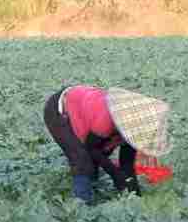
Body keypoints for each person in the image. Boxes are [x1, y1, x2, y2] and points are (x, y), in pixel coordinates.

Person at [43, 85, 172, 204]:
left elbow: (126, 164)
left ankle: (90, 186)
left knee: (99, 159)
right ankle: (81, 206)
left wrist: (135, 196)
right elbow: (90, 147)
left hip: (85, 110)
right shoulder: (106, 119)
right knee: (82, 161)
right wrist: (115, 174)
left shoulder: (134, 131)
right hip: (59, 108)